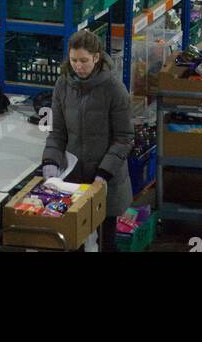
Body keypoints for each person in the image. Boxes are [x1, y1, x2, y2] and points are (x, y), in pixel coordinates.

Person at [41, 31, 133, 251]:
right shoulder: (63, 85)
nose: (78, 66)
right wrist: (50, 161)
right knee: (74, 237)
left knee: (105, 242)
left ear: (96, 58)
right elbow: (57, 131)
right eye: (74, 60)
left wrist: (103, 174)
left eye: (84, 60)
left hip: (106, 180)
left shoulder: (114, 89)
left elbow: (124, 138)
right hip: (73, 177)